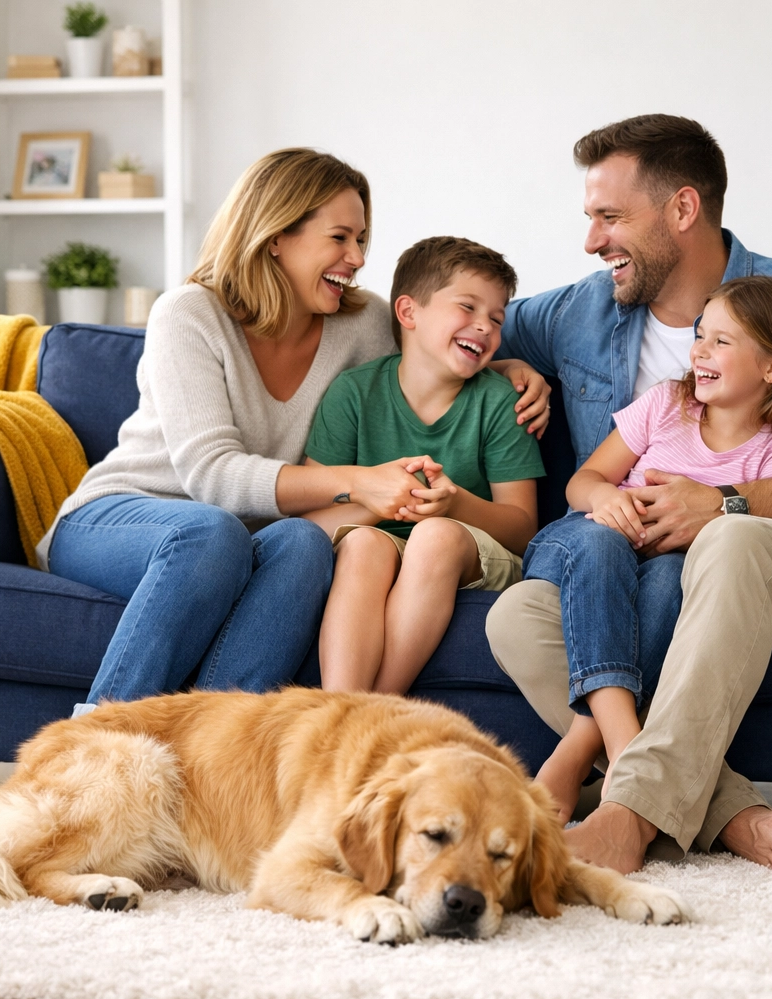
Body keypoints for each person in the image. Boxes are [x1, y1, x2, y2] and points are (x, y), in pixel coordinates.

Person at [485, 114, 772, 872]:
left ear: (683, 210)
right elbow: (454, 328)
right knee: (518, 614)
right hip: (630, 545)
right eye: (590, 218)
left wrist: (726, 503)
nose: (591, 241)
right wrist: (503, 368)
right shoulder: (580, 310)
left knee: (731, 539)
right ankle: (728, 811)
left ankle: (628, 812)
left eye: (610, 218)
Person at [38, 149, 549, 713]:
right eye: (340, 238)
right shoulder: (189, 314)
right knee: (210, 533)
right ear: (277, 235)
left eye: (361, 240)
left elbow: (426, 359)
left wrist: (506, 370)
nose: (356, 258)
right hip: (125, 516)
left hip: (249, 540)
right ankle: (95, 748)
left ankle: (221, 762)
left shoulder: (360, 323)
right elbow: (210, 474)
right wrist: (359, 483)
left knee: (304, 542)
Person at [526, 276, 772, 822]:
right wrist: (604, 500)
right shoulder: (666, 403)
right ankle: (623, 750)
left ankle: (584, 754)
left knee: (668, 580)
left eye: (722, 342)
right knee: (601, 537)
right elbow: (584, 480)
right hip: (583, 549)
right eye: (699, 335)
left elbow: (740, 542)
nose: (699, 352)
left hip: (662, 573)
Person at [302, 236, 545, 695]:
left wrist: (454, 504)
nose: (485, 327)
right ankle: (339, 708)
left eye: (496, 318)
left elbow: (525, 529)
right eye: (467, 307)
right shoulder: (353, 394)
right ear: (409, 313)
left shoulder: (499, 402)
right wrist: (382, 500)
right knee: (363, 547)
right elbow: (312, 522)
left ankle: (378, 708)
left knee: (434, 536)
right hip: (379, 542)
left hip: (470, 550)